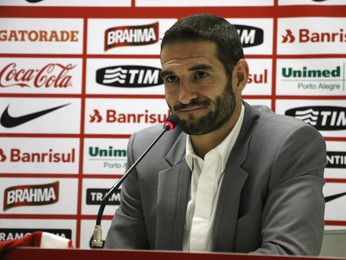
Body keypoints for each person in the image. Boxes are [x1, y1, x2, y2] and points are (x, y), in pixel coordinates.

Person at [104, 13, 327, 255]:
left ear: (239, 77)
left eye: (200, 75)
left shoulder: (289, 145)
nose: (184, 96)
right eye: (172, 79)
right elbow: (121, 253)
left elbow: (287, 253)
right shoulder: (146, 150)